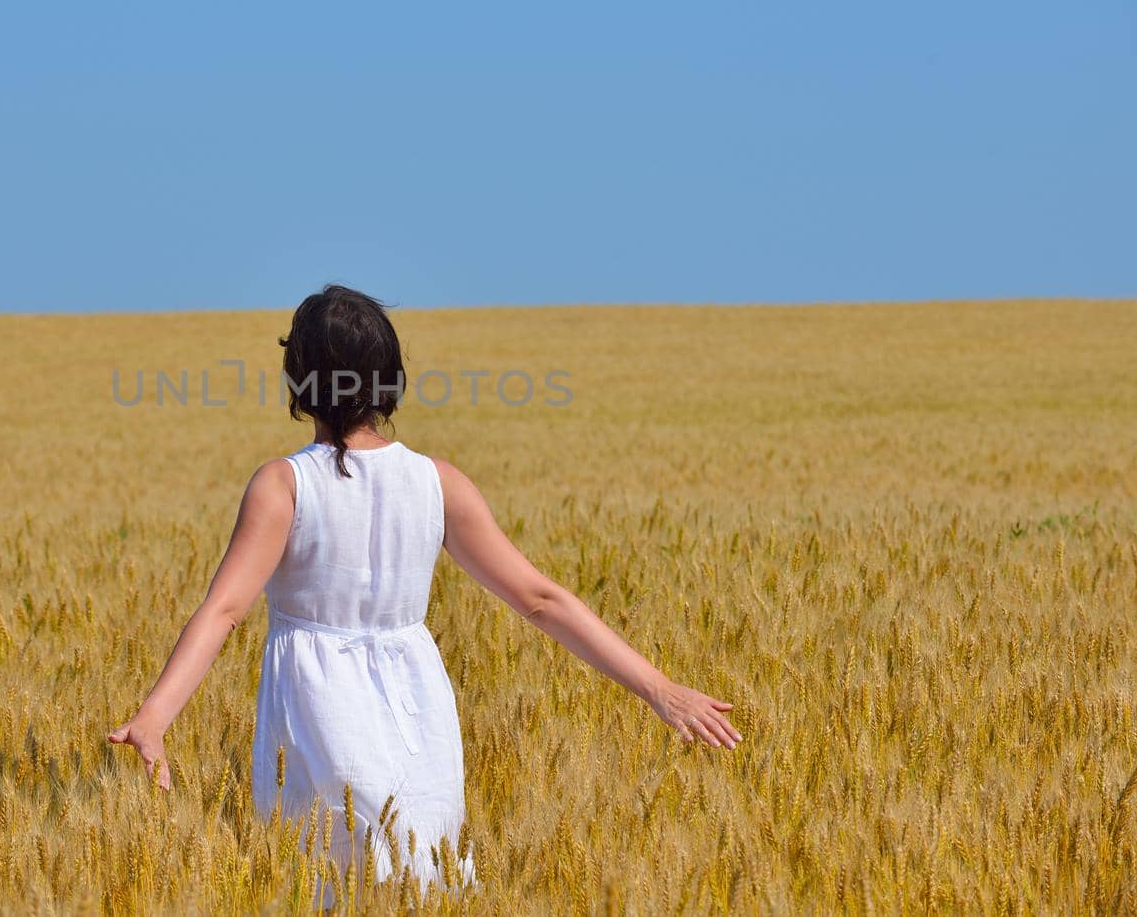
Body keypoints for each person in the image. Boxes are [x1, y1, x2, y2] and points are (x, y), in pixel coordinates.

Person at [108, 284, 741, 906]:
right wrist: (659, 687)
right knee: (422, 881)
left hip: (318, 708)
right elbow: (541, 599)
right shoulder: (437, 482)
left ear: (298, 377)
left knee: (330, 885)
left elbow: (224, 609)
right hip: (419, 714)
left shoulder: (284, 486)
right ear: (390, 379)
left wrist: (155, 717)